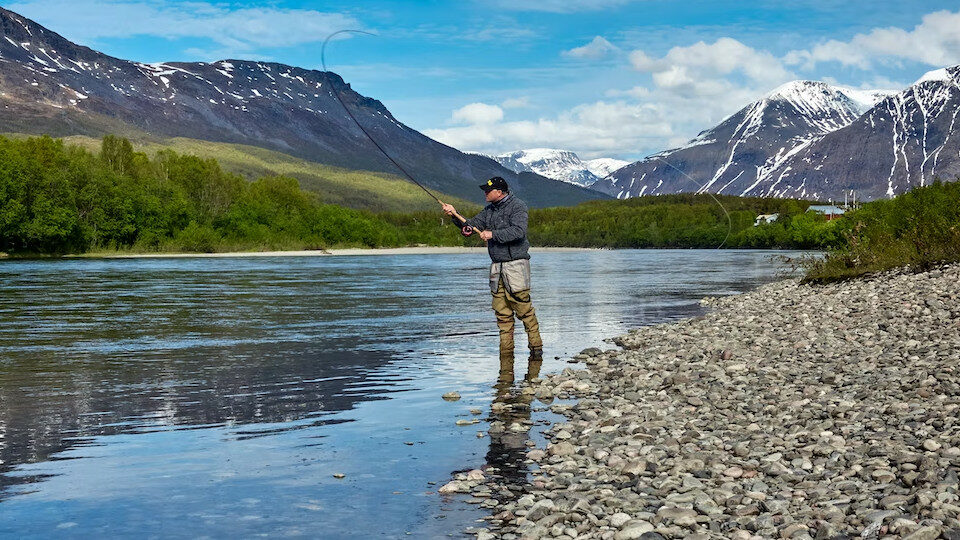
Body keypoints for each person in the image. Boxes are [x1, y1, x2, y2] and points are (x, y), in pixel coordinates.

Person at [442, 177, 543, 381]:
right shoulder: (489, 210)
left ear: (500, 191)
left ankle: (536, 353)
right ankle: (506, 361)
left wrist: (492, 234)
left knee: (524, 311)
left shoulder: (518, 206)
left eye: (488, 191)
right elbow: (470, 227)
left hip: (516, 265)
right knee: (502, 315)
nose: (485, 193)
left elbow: (518, 232)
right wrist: (454, 215)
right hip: (497, 268)